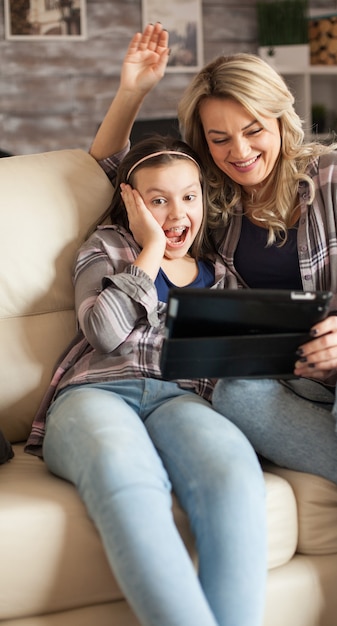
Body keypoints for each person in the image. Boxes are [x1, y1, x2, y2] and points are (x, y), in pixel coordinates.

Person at [90, 23, 337, 626]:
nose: (238, 151)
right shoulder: (211, 199)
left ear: (281, 118)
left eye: (252, 131)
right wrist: (131, 91)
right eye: (219, 139)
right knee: (236, 396)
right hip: (294, 373)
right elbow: (118, 176)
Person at [25, 132, 267, 626]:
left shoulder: (219, 271)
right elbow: (105, 334)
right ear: (131, 203)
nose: (177, 214)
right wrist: (151, 247)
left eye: (188, 196)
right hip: (95, 394)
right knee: (126, 474)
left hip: (179, 399)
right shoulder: (107, 248)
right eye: (158, 200)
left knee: (235, 477)